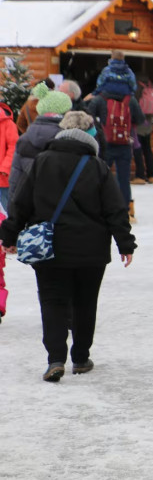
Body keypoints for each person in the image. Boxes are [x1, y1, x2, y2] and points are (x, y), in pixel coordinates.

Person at [0, 111, 135, 381]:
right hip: (91, 250)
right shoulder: (97, 167)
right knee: (85, 303)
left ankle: (55, 359)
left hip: (49, 248)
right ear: (90, 137)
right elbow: (115, 209)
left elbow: (21, 202)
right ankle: (81, 358)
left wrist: (10, 235)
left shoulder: (42, 162)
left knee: (52, 302)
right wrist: (125, 243)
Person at [86, 79, 146, 223]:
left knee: (100, 176)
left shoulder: (100, 98)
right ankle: (126, 211)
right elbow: (140, 118)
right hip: (124, 143)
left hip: (104, 144)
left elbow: (88, 116)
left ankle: (99, 208)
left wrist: (100, 129)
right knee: (123, 179)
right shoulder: (130, 99)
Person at [9, 84, 73, 198]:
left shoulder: (24, 140)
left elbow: (16, 180)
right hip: (61, 205)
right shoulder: (70, 138)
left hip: (30, 203)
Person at [0, 102, 19, 211]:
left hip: (2, 177)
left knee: (6, 209)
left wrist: (5, 168)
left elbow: (14, 147)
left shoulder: (7, 124)